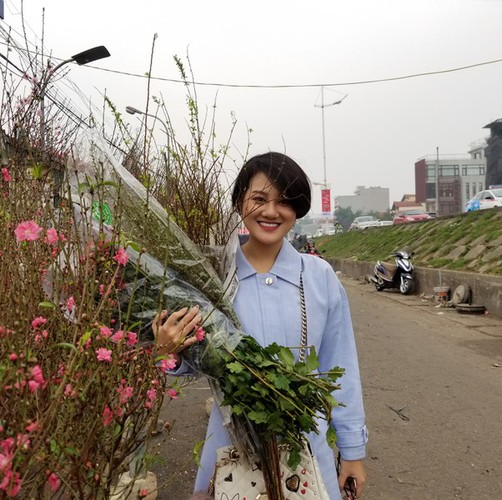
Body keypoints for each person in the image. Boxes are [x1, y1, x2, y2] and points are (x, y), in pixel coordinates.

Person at [153, 152, 368, 500]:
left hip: (307, 452)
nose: (271, 211)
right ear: (240, 202)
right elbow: (193, 360)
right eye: (259, 199)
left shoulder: (318, 278)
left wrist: (353, 452)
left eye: (284, 201)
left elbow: (340, 371)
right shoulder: (213, 277)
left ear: (297, 209)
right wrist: (169, 351)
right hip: (230, 449)